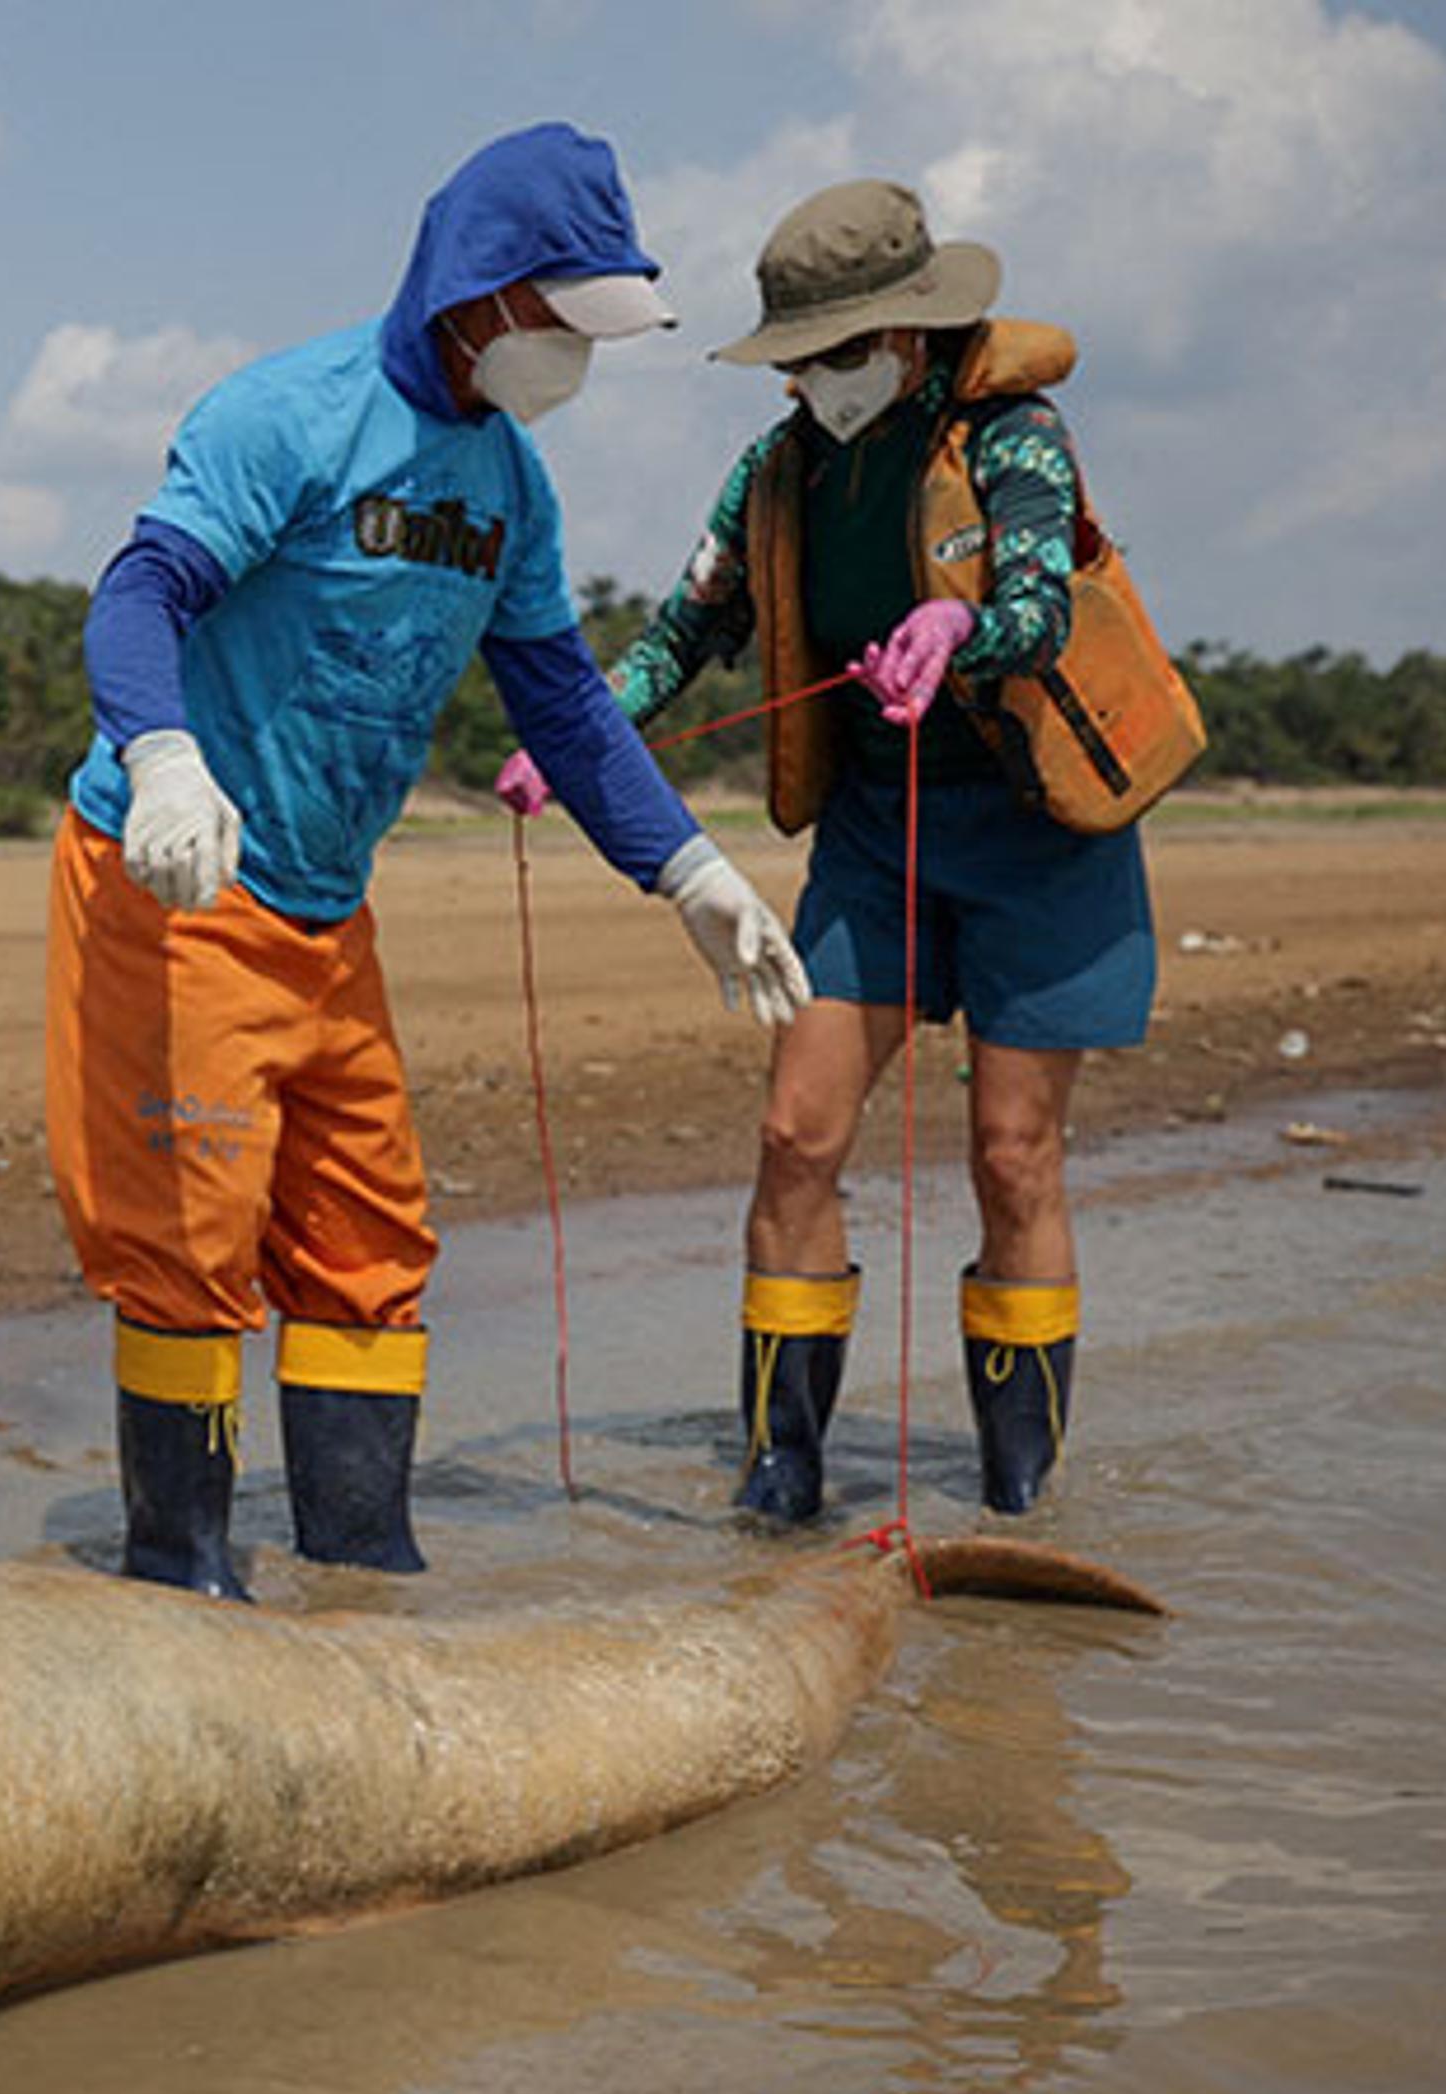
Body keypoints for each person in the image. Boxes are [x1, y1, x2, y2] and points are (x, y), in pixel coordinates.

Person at [51, 123, 805, 1602]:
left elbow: (568, 708)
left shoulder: (509, 485)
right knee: (192, 1238)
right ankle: (182, 1574)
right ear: (483, 295)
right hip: (185, 879)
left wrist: (691, 873)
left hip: (330, 906)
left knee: (368, 1232)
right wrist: (162, 754)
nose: (576, 359)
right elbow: (141, 593)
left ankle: (363, 1574)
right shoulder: (292, 417)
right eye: (566, 321)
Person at [510, 179, 1192, 1520]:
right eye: (800, 358)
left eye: (841, 351)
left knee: (1012, 1152)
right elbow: (683, 630)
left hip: (1037, 834)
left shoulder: (1016, 438)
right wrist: (574, 734)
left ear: (911, 334)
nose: (820, 380)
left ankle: (1017, 1481)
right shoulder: (778, 472)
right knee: (794, 1130)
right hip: (877, 838)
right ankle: (784, 1464)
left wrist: (958, 633)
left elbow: (1042, 606)